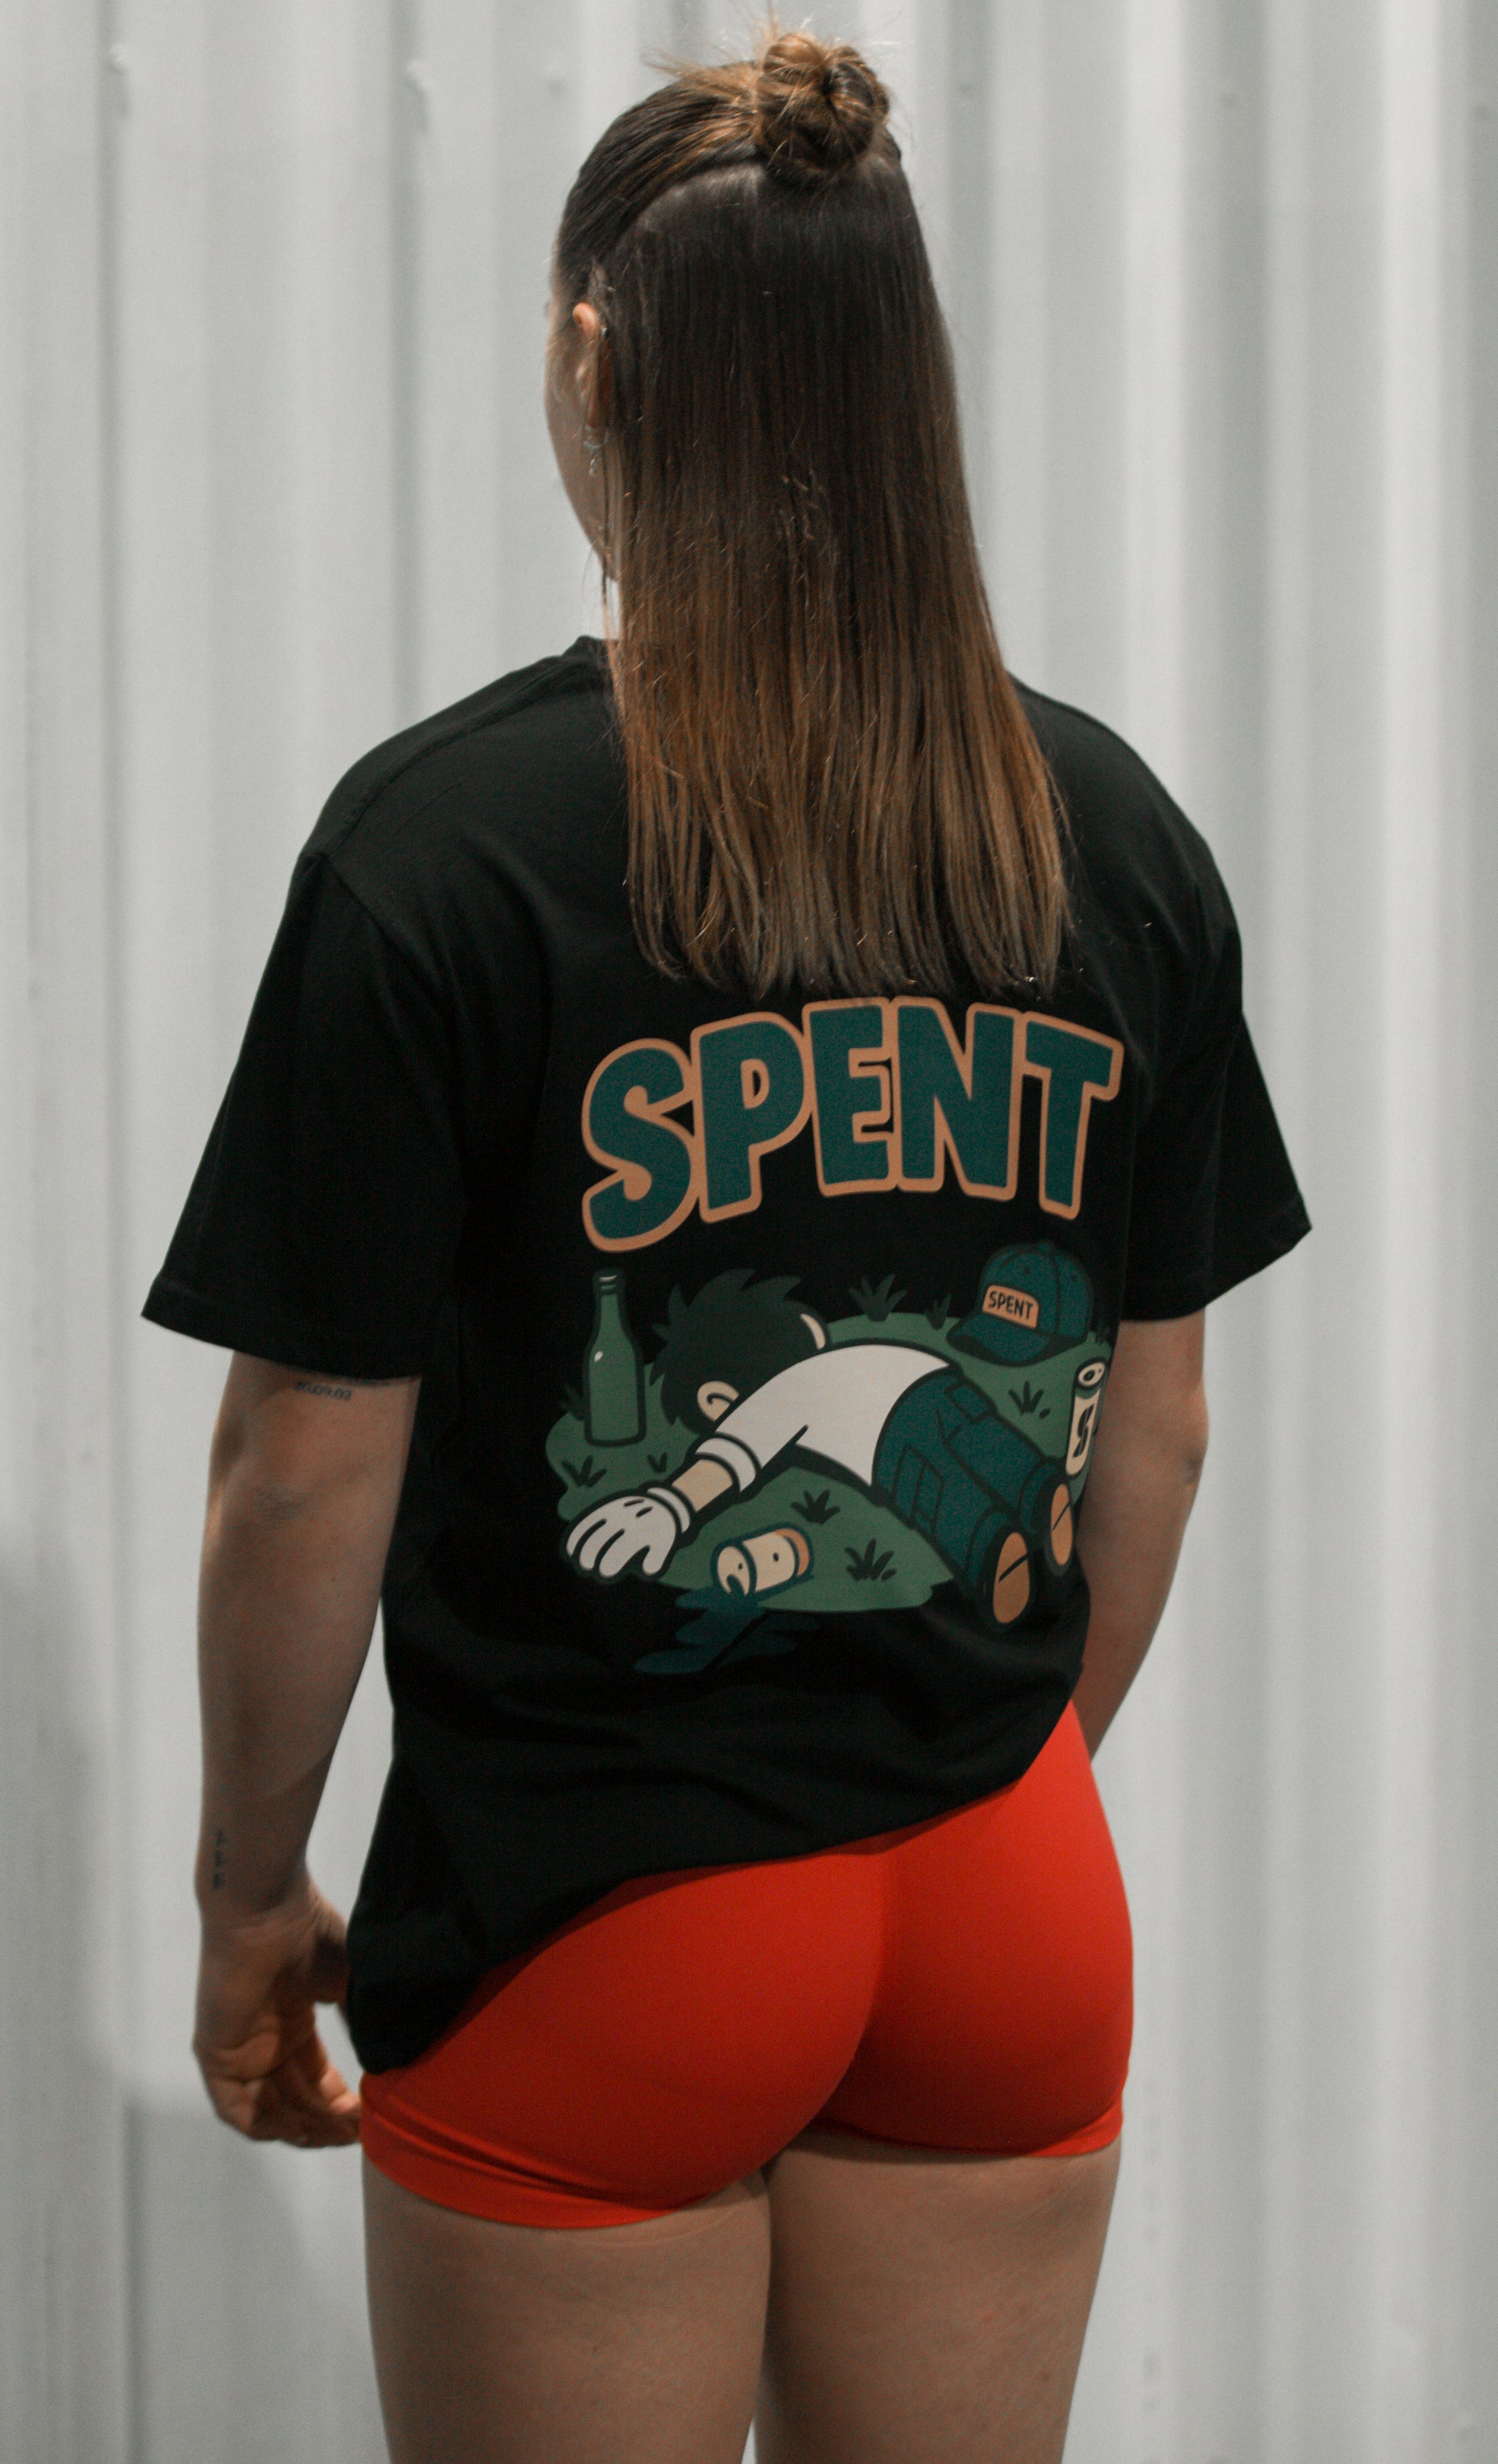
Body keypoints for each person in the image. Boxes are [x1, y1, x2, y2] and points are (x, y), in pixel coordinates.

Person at [145, 28, 1309, 2463]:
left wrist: (251, 1888)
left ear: (590, 355)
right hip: (1000, 1896)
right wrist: (969, 1780)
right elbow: (1159, 1428)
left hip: (602, 1916)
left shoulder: (444, 852)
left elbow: (300, 1470)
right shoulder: (1106, 836)